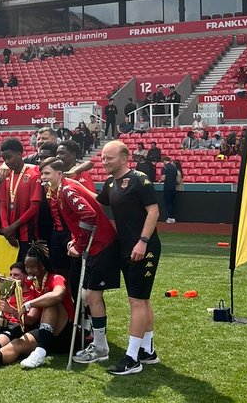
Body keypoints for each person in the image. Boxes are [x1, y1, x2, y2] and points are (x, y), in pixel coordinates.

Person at [41, 161, 120, 366]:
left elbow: (89, 215)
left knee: (91, 296)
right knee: (87, 295)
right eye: (42, 174)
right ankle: (98, 341)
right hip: (97, 246)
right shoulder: (61, 190)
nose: (44, 177)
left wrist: (80, 244)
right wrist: (76, 240)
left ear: (59, 173)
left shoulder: (67, 190)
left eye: (48, 173)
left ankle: (100, 347)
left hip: (101, 246)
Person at [98, 141, 162, 375]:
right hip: (126, 247)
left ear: (125, 158)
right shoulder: (110, 183)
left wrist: (143, 242)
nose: (105, 161)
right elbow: (97, 202)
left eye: (110, 158)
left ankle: (132, 358)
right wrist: (72, 181)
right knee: (142, 299)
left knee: (136, 301)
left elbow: (154, 211)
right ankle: (147, 351)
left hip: (143, 247)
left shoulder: (139, 179)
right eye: (103, 158)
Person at [0, 243, 74, 373]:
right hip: (44, 331)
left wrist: (29, 304)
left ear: (43, 266)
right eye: (27, 267)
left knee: (50, 302)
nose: (28, 271)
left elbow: (58, 295)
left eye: (32, 267)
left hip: (64, 332)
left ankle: (40, 351)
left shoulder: (55, 278)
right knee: (18, 343)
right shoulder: (32, 283)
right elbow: (28, 317)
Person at [0, 138, 43, 261]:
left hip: (27, 231)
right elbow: (1, 204)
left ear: (19, 154)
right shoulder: (5, 176)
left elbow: (34, 207)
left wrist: (12, 227)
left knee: (26, 267)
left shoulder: (33, 175)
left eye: (9, 157)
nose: (6, 162)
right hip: (9, 233)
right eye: (4, 159)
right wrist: (7, 229)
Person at [161, 156, 179, 223]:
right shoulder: (174, 167)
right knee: (173, 202)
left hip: (167, 187)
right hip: (173, 187)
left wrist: (160, 180)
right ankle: (173, 217)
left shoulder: (164, 168)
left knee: (168, 202)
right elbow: (177, 179)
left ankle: (170, 217)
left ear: (165, 161)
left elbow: (163, 178)